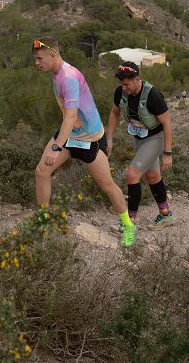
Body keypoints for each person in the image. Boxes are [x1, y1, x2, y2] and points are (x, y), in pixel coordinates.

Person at [32, 37, 136, 247]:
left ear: (53, 55)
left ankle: (128, 225)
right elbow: (68, 120)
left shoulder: (69, 78)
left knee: (107, 186)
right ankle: (42, 222)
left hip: (89, 139)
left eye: (39, 58)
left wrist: (55, 147)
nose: (36, 63)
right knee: (42, 172)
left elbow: (70, 117)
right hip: (69, 133)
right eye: (35, 59)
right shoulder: (56, 73)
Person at [105, 61, 175, 232]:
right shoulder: (120, 92)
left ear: (137, 79)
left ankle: (130, 222)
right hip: (138, 137)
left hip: (155, 138)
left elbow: (167, 124)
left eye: (127, 84)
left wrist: (167, 153)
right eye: (121, 84)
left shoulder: (152, 95)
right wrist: (109, 139)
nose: (124, 87)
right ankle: (165, 214)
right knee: (153, 177)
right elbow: (114, 113)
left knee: (132, 174)